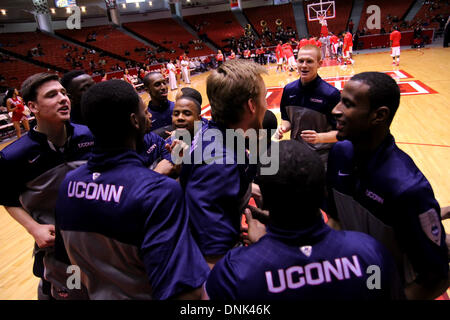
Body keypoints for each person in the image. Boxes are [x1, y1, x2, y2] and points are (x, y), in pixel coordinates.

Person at [54, 80, 209, 299]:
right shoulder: (159, 192)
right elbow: (185, 292)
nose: (149, 117)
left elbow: (66, 267)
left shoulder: (68, 184)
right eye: (143, 113)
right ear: (135, 121)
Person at [205, 140, 404, 300]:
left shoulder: (235, 271)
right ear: (324, 192)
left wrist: (264, 247)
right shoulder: (371, 255)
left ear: (262, 200)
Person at [327, 72, 449, 300]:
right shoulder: (339, 154)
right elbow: (336, 219)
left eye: (348, 104)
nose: (335, 110)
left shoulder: (408, 188)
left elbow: (437, 278)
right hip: (357, 277)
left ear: (379, 115)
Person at [0, 73, 95, 299]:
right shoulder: (14, 156)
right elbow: (7, 197)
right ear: (32, 107)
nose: (63, 99)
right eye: (52, 95)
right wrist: (33, 228)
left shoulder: (89, 135)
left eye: (63, 93)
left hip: (97, 241)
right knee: (73, 294)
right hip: (60, 252)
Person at [180, 60, 267, 269]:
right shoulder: (220, 163)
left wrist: (247, 191)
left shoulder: (215, 132)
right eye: (264, 98)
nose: (266, 104)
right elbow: (213, 258)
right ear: (251, 106)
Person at [276, 44, 341, 166]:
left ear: (319, 63)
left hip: (322, 159)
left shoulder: (331, 94)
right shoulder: (289, 90)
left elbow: (342, 133)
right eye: (301, 61)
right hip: (296, 155)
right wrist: (283, 128)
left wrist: (319, 138)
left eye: (309, 61)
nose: (304, 66)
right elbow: (287, 119)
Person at [143, 72, 175, 137]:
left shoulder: (177, 107)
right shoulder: (146, 117)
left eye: (164, 83)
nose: (163, 87)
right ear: (147, 90)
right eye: (157, 84)